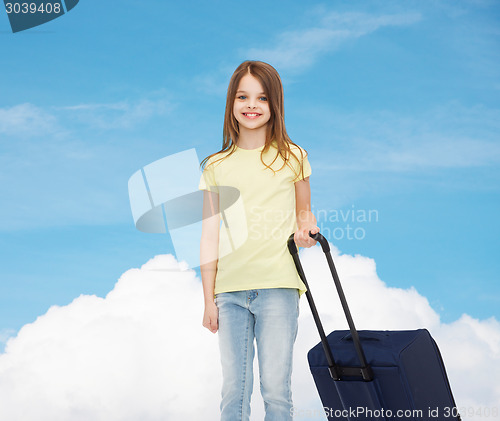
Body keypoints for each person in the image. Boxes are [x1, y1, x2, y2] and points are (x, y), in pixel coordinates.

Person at [199, 60, 319, 421]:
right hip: (230, 293)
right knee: (234, 392)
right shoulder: (215, 166)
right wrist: (208, 299)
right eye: (243, 96)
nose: (251, 105)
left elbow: (305, 215)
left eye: (261, 98)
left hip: (279, 287)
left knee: (276, 393)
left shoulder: (293, 157)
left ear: (274, 104)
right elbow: (209, 235)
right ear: (232, 104)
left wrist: (307, 234)